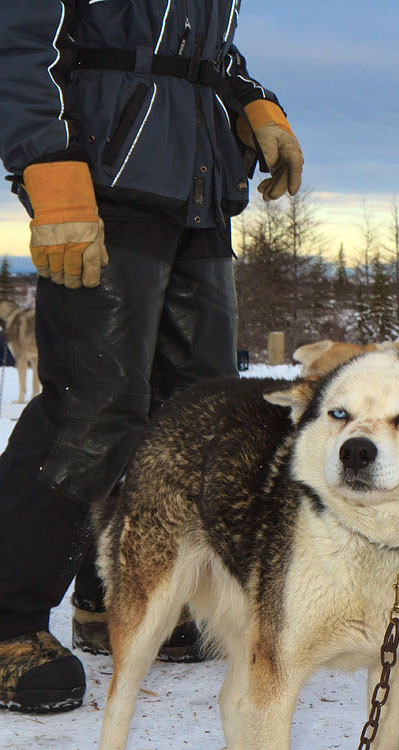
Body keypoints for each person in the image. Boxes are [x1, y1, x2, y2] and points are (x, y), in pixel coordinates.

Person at [0, 0, 303, 713]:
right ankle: (9, 617)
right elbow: (19, 44)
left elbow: (202, 50)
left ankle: (116, 599)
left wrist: (252, 101)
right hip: (102, 184)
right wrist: (46, 167)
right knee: (95, 404)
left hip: (198, 188)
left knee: (196, 413)